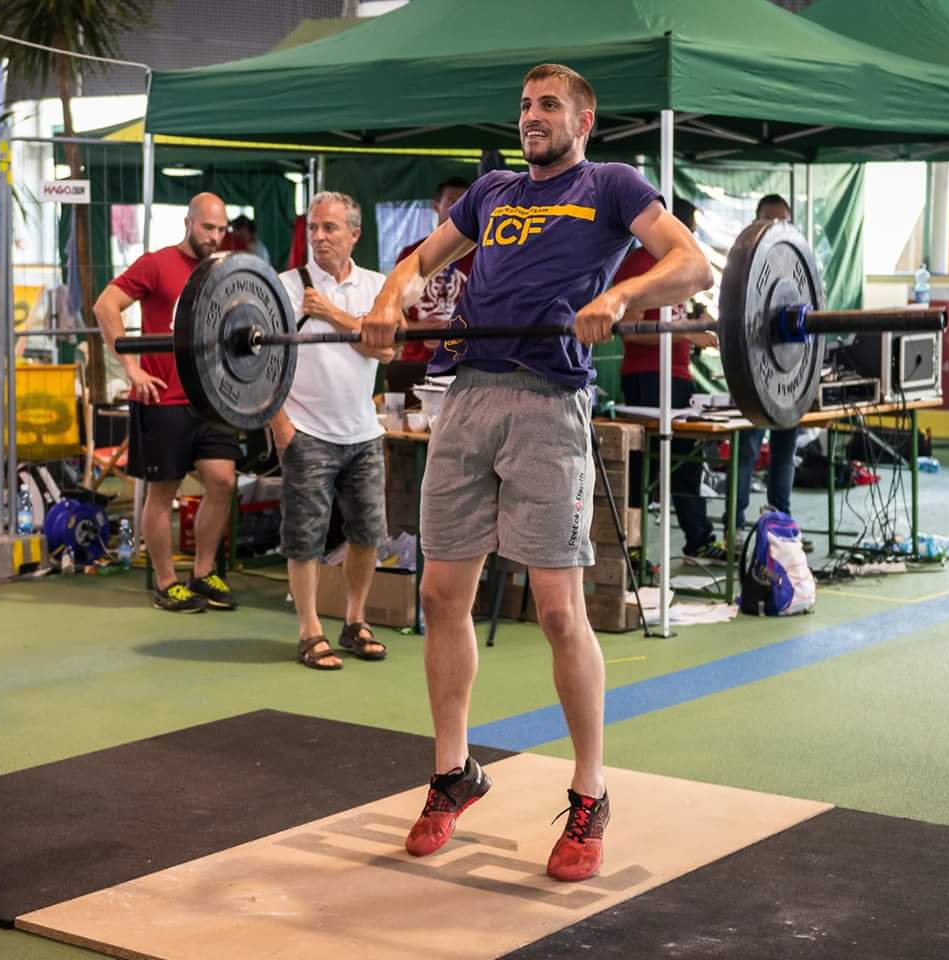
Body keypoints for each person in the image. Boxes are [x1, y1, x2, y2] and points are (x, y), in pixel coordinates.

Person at [362, 63, 712, 882]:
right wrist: (386, 300)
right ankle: (454, 772)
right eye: (524, 105)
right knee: (439, 595)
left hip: (550, 404)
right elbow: (417, 263)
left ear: (583, 120)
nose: (532, 116)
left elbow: (693, 265)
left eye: (549, 105)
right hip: (466, 396)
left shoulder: (611, 186)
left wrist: (621, 298)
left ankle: (590, 793)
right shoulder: (491, 193)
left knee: (558, 609)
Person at [94, 193, 239, 613]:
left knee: (223, 481)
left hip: (211, 399)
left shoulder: (223, 271)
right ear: (188, 224)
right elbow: (105, 305)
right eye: (207, 227)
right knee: (163, 493)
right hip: (162, 397)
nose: (214, 236)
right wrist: (131, 368)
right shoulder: (156, 264)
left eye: (221, 229)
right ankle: (166, 583)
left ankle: (203, 573)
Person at [270, 192, 393, 670]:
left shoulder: (378, 286)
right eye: (314, 228)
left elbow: (386, 351)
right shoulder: (284, 287)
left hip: (363, 432)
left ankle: (355, 621)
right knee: (305, 538)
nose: (319, 237)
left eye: (330, 228)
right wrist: (281, 425)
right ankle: (309, 630)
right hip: (306, 432)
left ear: (354, 234)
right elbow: (262, 361)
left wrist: (332, 314)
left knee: (368, 533)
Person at [615, 198, 727, 564]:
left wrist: (694, 325)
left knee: (687, 462)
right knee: (641, 467)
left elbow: (675, 320)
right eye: (687, 229)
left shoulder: (675, 267)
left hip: (678, 376)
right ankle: (632, 548)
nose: (690, 237)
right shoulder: (640, 265)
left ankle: (699, 540)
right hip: (647, 377)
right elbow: (629, 328)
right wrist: (685, 333)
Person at [734, 194, 799, 529]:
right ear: (755, 223)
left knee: (784, 454)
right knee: (746, 452)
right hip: (754, 374)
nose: (776, 227)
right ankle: (735, 526)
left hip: (787, 376)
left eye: (783, 221)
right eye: (769, 220)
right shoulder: (745, 266)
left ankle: (780, 524)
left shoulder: (796, 262)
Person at [386, 177, 473, 399]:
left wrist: (453, 333)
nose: (457, 208)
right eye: (451, 201)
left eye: (463, 202)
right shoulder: (411, 255)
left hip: (463, 363)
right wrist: (420, 328)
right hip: (414, 363)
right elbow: (392, 314)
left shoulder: (481, 255)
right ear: (436, 205)